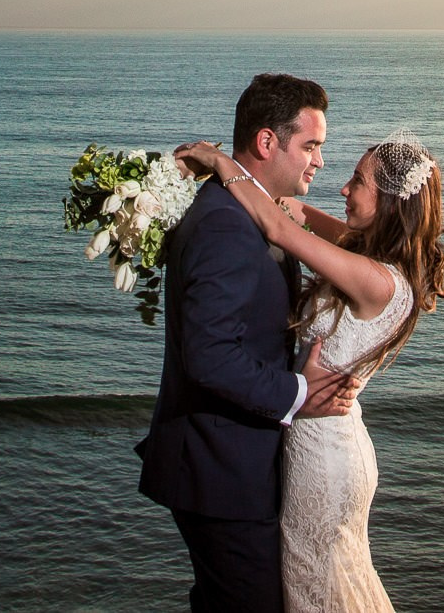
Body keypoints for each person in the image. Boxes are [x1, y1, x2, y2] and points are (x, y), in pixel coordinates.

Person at [174, 126, 444, 613]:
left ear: (388, 201)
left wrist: (219, 163)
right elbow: (293, 211)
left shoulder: (377, 279)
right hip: (319, 439)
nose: (343, 188)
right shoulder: (365, 254)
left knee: (315, 585)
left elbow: (281, 231)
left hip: (325, 456)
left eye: (358, 182)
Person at [139, 73, 361, 613]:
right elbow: (210, 357)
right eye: (310, 146)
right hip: (222, 473)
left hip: (236, 465)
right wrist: (297, 393)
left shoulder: (256, 210)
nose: (320, 162)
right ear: (267, 142)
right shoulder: (225, 225)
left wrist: (220, 163)